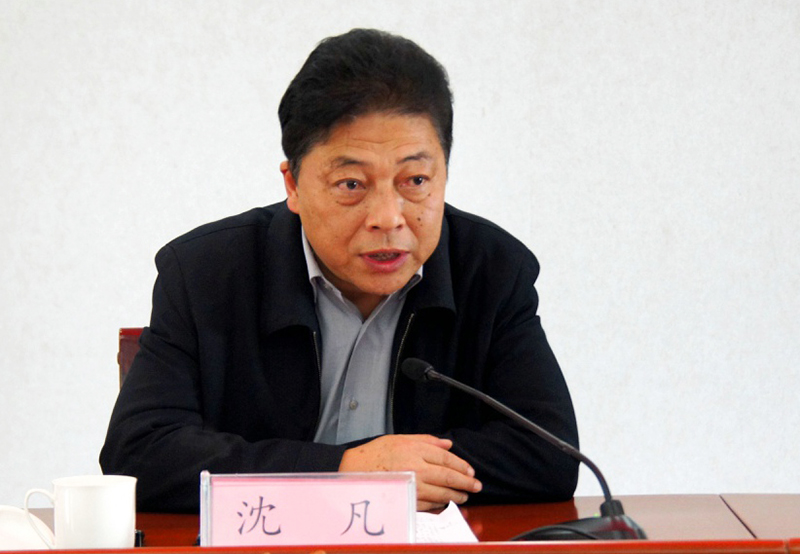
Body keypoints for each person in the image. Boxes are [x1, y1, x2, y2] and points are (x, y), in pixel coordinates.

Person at [100, 28, 579, 513]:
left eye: (415, 180)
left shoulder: (493, 270)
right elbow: (139, 453)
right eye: (352, 184)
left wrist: (400, 473)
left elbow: (549, 455)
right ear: (293, 185)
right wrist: (346, 471)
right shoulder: (204, 273)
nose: (388, 218)